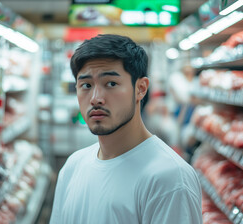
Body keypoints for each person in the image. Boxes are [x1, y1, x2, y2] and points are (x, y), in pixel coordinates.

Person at [49, 34, 202, 224]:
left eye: (111, 84)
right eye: (86, 85)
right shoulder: (73, 167)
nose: (96, 98)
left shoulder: (170, 178)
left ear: (141, 88)